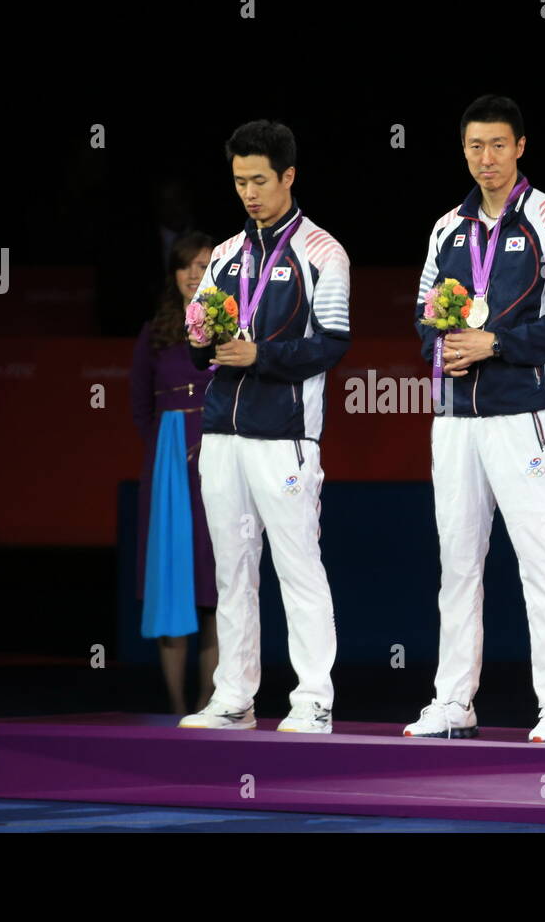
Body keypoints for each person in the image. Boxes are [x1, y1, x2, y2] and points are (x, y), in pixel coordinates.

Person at [403, 95, 545, 743]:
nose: (486, 159)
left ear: (520, 146)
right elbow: (425, 313)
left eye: (497, 145)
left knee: (543, 558)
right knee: (457, 560)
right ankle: (453, 700)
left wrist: (497, 345)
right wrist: (442, 345)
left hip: (524, 416)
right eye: (474, 147)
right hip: (454, 418)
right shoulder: (444, 230)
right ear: (464, 152)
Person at [177, 120, 350, 734]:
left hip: (285, 435)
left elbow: (332, 344)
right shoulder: (223, 255)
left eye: (258, 180)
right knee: (233, 567)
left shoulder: (324, 253)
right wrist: (203, 339)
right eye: (239, 181)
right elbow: (198, 343)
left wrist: (263, 356)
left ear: (288, 177)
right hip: (222, 431)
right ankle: (234, 696)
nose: (248, 193)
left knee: (298, 565)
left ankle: (313, 699)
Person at [130, 231, 219, 716]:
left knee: (214, 590)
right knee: (173, 585)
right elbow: (140, 405)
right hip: (168, 472)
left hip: (220, 464)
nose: (193, 273)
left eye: (203, 265)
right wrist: (169, 449)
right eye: (185, 265)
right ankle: (175, 707)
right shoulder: (156, 332)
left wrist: (207, 442)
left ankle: (209, 705)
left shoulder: (230, 326)